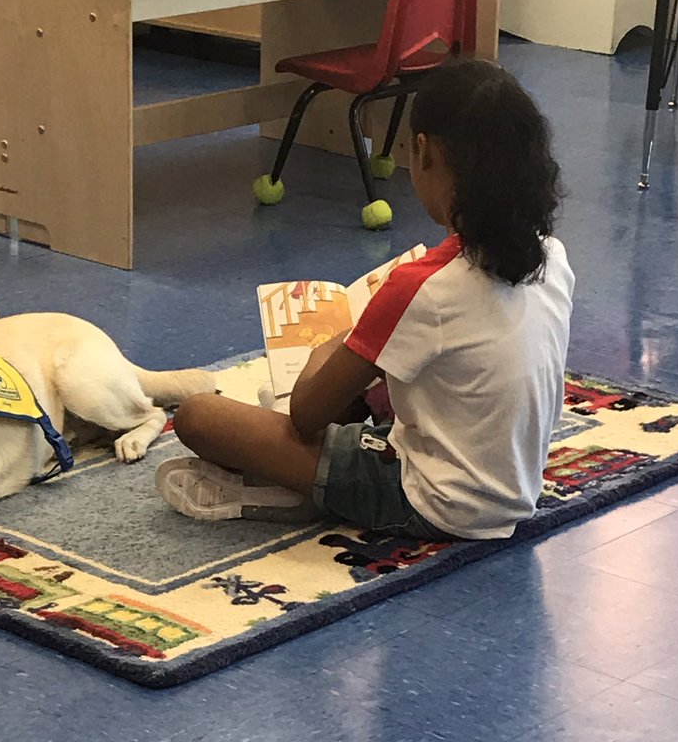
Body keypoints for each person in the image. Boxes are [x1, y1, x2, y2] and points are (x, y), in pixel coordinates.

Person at [155, 58, 574, 542]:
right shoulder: (551, 254)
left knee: (200, 416)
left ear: (424, 150)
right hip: (516, 492)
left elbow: (306, 415)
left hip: (431, 502)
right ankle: (310, 477)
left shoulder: (424, 286)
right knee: (368, 396)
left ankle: (293, 493)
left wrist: (334, 342)